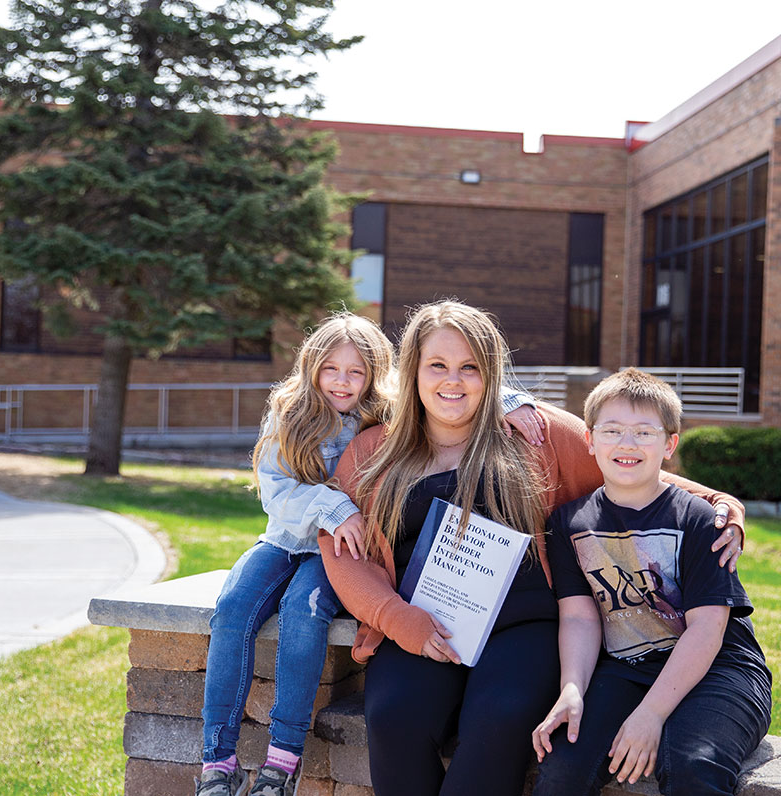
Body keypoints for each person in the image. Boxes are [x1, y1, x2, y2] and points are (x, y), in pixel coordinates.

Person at [319, 300, 746, 796]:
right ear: (412, 370)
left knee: (501, 718)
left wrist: (716, 501)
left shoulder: (535, 431)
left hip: (526, 626)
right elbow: (343, 551)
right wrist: (395, 618)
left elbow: (625, 466)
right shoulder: (374, 450)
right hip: (421, 625)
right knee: (394, 718)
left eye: (469, 368)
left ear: (491, 373)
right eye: (437, 365)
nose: (452, 381)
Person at [196, 312, 546, 796]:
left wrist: (511, 399)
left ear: (376, 374)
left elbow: (448, 385)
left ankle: (282, 760)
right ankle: (217, 759)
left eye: (356, 371)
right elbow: (275, 491)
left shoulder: (380, 410)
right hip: (286, 537)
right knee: (232, 608)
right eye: (331, 370)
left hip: (343, 553)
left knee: (305, 609)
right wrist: (335, 507)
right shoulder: (290, 411)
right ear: (309, 368)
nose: (343, 382)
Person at [531, 368, 772, 796]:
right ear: (589, 440)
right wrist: (572, 689)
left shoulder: (699, 519)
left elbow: (708, 628)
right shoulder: (568, 523)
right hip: (627, 668)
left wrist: (651, 715)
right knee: (564, 763)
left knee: (690, 763)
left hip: (719, 668)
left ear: (669, 445)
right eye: (613, 431)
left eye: (644, 432)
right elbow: (579, 619)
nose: (627, 444)